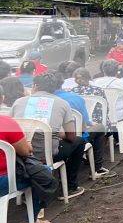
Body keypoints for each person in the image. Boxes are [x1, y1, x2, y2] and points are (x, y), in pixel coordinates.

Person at [11, 72, 86, 200]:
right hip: (47, 155)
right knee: (79, 141)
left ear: (35, 86)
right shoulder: (62, 103)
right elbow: (71, 136)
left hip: (21, 154)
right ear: (55, 87)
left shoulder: (19, 102)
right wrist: (58, 133)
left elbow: (12, 128)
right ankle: (70, 187)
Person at [0, 98, 51, 223]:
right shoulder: (6, 122)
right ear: (2, 99)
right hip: (3, 182)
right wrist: (27, 143)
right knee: (43, 173)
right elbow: (26, 151)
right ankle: (32, 221)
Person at [52, 74, 115, 179]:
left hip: (45, 143)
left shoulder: (35, 102)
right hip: (73, 139)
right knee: (100, 128)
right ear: (61, 83)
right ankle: (97, 168)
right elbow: (84, 126)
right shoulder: (75, 98)